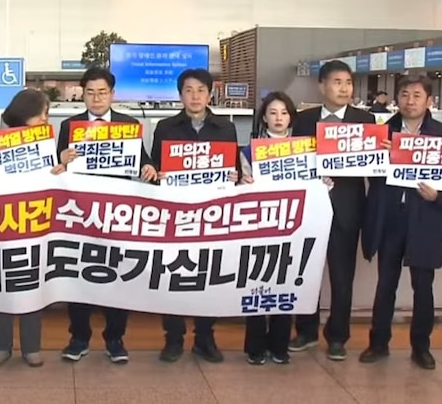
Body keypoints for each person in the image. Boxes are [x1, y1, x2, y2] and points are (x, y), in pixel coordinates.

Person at [55, 67, 157, 364]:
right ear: (82, 94)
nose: (96, 98)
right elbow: (57, 167)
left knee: (117, 277)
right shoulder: (70, 126)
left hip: (117, 214)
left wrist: (148, 168)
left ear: (112, 94)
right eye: (90, 92)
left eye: (102, 92)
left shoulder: (128, 124)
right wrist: (61, 160)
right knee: (78, 276)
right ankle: (79, 338)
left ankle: (115, 338)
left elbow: (144, 161)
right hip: (80, 214)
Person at [0, 88, 66, 368]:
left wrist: (61, 169)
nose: (47, 121)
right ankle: (1, 346)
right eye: (43, 116)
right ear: (27, 115)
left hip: (36, 228)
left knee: (33, 287)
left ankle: (31, 347)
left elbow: (56, 182)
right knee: (1, 287)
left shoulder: (47, 143)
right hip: (1, 228)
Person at [150, 68, 238, 364]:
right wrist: (155, 174)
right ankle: (173, 338)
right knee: (174, 274)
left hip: (212, 215)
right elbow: (153, 170)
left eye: (201, 90)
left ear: (210, 94)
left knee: (209, 276)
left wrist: (236, 176)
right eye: (188, 90)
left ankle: (205, 337)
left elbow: (234, 172)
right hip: (176, 213)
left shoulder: (226, 128)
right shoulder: (165, 127)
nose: (195, 96)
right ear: (180, 95)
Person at [289, 60, 375, 360]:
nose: (344, 88)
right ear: (322, 85)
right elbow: (292, 162)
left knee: (342, 276)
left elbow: (372, 167)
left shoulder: (365, 121)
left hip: (348, 208)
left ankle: (338, 336)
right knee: (307, 273)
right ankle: (306, 331)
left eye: (348, 83)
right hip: (310, 208)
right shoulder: (302, 120)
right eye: (337, 82)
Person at [360, 75, 440, 370]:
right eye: (405, 94)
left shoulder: (440, 135)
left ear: (429, 101)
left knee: (424, 287)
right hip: (390, 218)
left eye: (417, 95)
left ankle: (421, 347)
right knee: (386, 285)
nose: (410, 101)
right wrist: (377, 155)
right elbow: (366, 174)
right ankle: (378, 343)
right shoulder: (382, 132)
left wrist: (438, 197)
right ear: (397, 99)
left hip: (426, 220)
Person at [238, 92, 299, 365]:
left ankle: (280, 345)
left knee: (286, 284)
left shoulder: (306, 149)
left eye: (283, 113)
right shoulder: (248, 151)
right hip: (260, 227)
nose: (278, 118)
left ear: (290, 117)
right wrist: (242, 183)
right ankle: (255, 346)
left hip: (294, 227)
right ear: (264, 117)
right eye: (273, 112)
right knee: (257, 286)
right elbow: (238, 188)